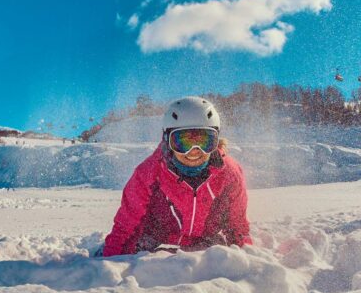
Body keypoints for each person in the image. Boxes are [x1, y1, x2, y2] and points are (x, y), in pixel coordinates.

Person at [102, 96, 252, 256]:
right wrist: (111, 261)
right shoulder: (148, 173)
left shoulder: (229, 173)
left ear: (216, 141)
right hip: (154, 249)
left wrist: (248, 261)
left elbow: (238, 226)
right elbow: (126, 226)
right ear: (167, 140)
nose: (194, 151)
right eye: (183, 142)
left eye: (204, 141)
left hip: (205, 246)